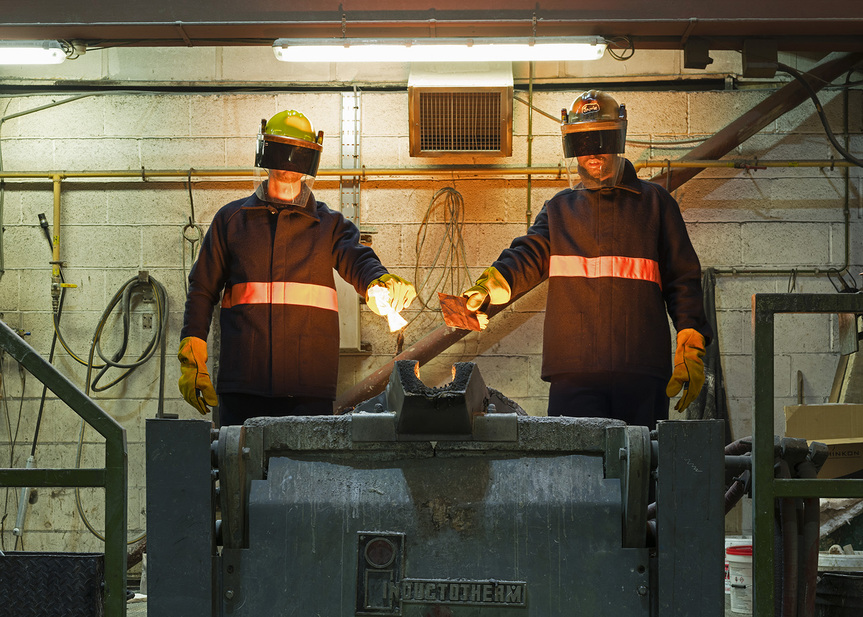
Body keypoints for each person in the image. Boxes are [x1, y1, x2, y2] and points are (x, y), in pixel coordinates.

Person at [461, 90, 712, 429]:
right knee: (576, 470)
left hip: (640, 369)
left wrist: (691, 335)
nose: (593, 152)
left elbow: (683, 278)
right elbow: (526, 256)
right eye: (582, 143)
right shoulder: (559, 209)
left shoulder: (656, 204)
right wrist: (488, 289)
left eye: (602, 139)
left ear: (618, 137)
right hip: (574, 372)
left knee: (639, 469)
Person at [178, 109, 416, 425]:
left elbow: (358, 259)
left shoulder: (329, 225)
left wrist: (379, 281)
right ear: (266, 153)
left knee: (305, 473)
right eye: (281, 151)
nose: (289, 164)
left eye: (298, 155)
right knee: (239, 470)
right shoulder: (231, 222)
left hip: (309, 389)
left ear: (310, 161)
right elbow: (202, 289)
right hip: (243, 387)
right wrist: (192, 347)